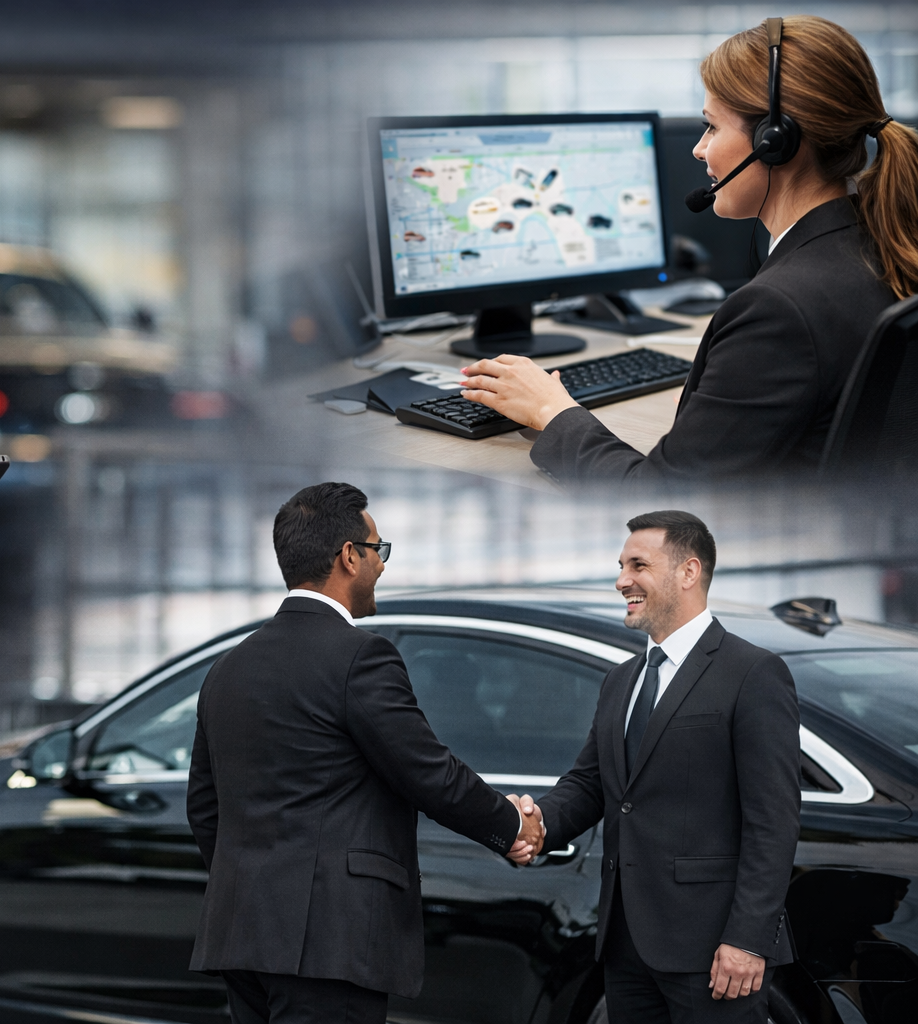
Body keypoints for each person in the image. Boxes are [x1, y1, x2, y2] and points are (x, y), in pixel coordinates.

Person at [459, 15, 918, 482]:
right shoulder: (883, 246)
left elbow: (661, 501)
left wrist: (551, 410)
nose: (699, 150)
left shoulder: (778, 311)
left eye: (712, 128)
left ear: (775, 142)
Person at [186, 482, 544, 1024]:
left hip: (242, 937)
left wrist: (259, 887)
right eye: (379, 550)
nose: (381, 566)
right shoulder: (360, 656)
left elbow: (205, 807)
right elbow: (426, 772)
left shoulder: (228, 667)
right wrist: (510, 825)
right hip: (329, 943)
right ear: (349, 556)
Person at [509, 512, 801, 1023]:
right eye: (621, 566)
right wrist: (537, 825)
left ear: (689, 572)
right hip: (625, 946)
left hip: (715, 951)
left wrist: (748, 939)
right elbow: (591, 784)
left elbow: (773, 821)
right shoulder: (620, 680)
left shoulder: (753, 672)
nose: (622, 580)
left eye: (638, 565)